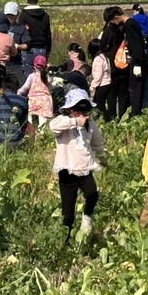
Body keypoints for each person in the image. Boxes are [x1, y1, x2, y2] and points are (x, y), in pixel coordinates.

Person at [51, 87, 107, 240]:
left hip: (85, 168)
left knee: (92, 194)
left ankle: (87, 219)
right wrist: (75, 121)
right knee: (68, 214)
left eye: (85, 111)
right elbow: (53, 127)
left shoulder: (90, 124)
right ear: (70, 109)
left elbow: (97, 142)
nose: (82, 114)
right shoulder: (63, 122)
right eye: (78, 110)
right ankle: (66, 240)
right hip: (67, 171)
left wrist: (102, 158)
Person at [99, 6, 130, 119]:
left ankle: (112, 116)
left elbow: (102, 47)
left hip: (112, 65)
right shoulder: (124, 30)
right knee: (123, 94)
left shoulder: (107, 31)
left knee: (112, 93)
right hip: (125, 64)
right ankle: (122, 116)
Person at [123, 3, 148, 116]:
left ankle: (135, 111)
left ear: (134, 10)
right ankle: (142, 107)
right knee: (142, 84)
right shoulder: (147, 18)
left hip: (137, 52)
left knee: (135, 85)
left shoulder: (132, 20)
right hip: (147, 48)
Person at [18, 54, 55, 128]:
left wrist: (19, 92)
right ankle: (41, 134)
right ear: (46, 66)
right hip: (45, 100)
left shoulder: (32, 76)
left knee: (30, 119)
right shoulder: (47, 77)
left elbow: (25, 87)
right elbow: (51, 88)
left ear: (34, 66)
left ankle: (30, 132)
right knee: (43, 121)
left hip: (33, 100)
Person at [18, 0, 52, 68]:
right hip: (41, 49)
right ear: (37, 0)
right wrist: (48, 50)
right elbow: (48, 34)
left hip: (27, 49)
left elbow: (20, 32)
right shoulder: (45, 15)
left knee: (27, 75)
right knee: (41, 76)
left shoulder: (24, 15)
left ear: (27, 0)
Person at [87, 37, 115, 121]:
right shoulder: (104, 57)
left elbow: (98, 76)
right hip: (108, 83)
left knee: (99, 105)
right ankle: (100, 119)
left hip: (102, 85)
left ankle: (107, 120)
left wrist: (92, 86)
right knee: (98, 103)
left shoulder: (98, 59)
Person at [3, 1, 31, 84]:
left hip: (15, 64)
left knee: (22, 86)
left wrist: (18, 46)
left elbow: (27, 45)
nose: (10, 17)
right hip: (1, 63)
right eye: (8, 14)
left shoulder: (21, 28)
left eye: (12, 15)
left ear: (17, 14)